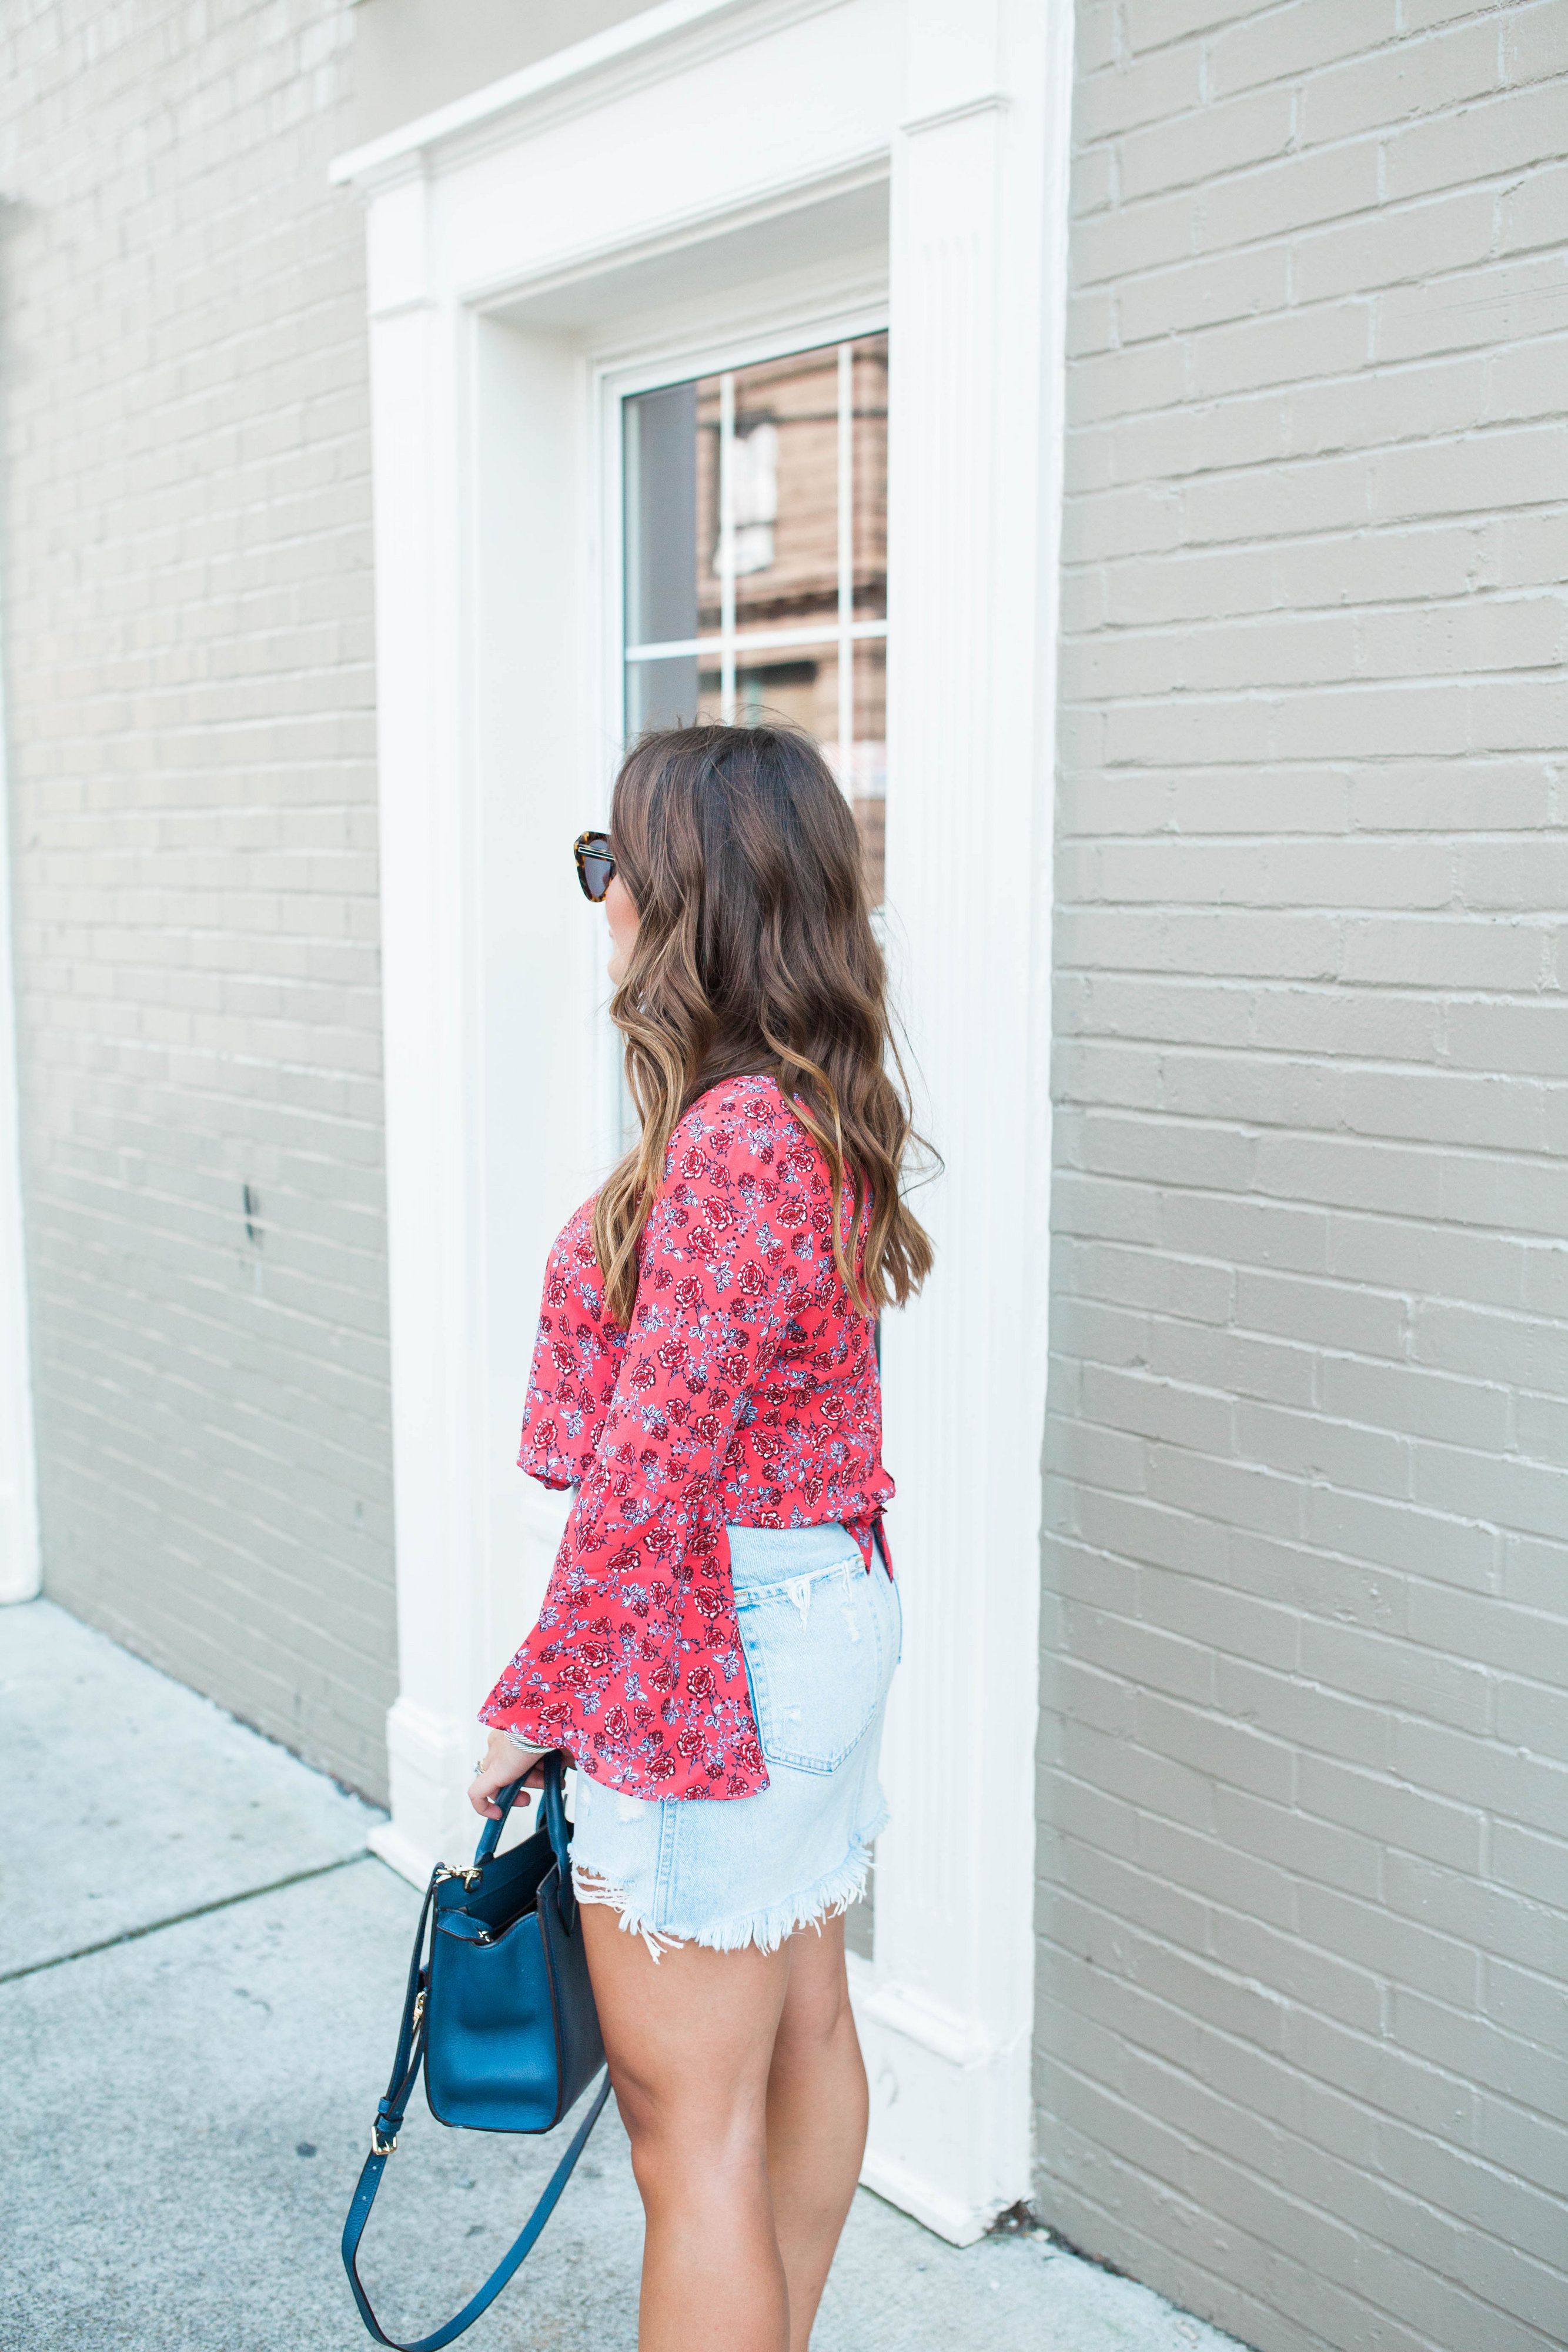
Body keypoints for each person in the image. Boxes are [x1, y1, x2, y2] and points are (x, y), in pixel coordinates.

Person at [466, 723, 933, 2352]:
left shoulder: (736, 1142)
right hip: (806, 1615)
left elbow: (651, 1466)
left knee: (692, 2138)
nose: (597, 900)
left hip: (711, 1651)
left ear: (684, 901)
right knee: (800, 2030)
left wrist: (539, 1697)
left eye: (611, 866)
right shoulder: (802, 1109)